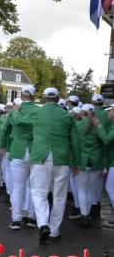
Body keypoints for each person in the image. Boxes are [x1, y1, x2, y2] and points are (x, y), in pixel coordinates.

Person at [18, 87, 80, 242]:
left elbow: (19, 122)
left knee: (39, 192)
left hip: (41, 157)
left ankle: (43, 223)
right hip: (62, 159)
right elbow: (75, 142)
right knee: (59, 196)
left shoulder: (36, 112)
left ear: (44, 98)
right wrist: (77, 162)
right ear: (58, 98)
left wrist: (17, 110)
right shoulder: (67, 115)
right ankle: (54, 230)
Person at [0, 86, 38, 230]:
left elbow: (4, 129)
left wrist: (3, 144)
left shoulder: (15, 111)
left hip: (17, 151)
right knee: (33, 187)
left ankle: (16, 220)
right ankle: (31, 218)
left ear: (22, 95)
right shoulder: (38, 111)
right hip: (35, 151)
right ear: (33, 96)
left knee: (18, 188)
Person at [74, 104, 107, 227]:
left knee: (82, 190)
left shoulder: (77, 125)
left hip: (81, 161)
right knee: (89, 190)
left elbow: (73, 144)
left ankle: (84, 215)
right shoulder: (98, 126)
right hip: (96, 161)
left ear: (83, 113)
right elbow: (105, 140)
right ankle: (87, 214)